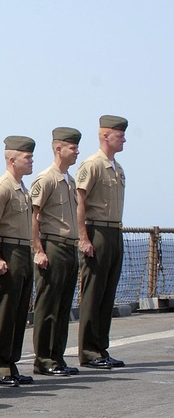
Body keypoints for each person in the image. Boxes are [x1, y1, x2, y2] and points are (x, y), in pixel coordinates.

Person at [76, 115, 129, 369]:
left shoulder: (116, 168)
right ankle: (88, 350)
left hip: (114, 232)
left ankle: (100, 347)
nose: (124, 139)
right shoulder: (93, 165)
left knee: (107, 293)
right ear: (106, 135)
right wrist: (83, 237)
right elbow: (80, 202)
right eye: (120, 135)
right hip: (96, 231)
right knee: (93, 292)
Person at [30, 127, 82, 376]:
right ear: (58, 148)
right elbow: (34, 217)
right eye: (72, 147)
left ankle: (57, 356)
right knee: (48, 306)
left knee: (63, 307)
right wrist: (38, 250)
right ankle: (43, 359)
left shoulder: (70, 181)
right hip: (53, 245)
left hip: (70, 248)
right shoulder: (46, 179)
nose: (77, 152)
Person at [0, 136, 37, 387]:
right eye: (27, 157)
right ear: (12, 159)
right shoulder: (2, 188)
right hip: (8, 248)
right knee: (5, 311)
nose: (31, 160)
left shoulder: (21, 188)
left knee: (19, 311)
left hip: (23, 250)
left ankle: (11, 362)